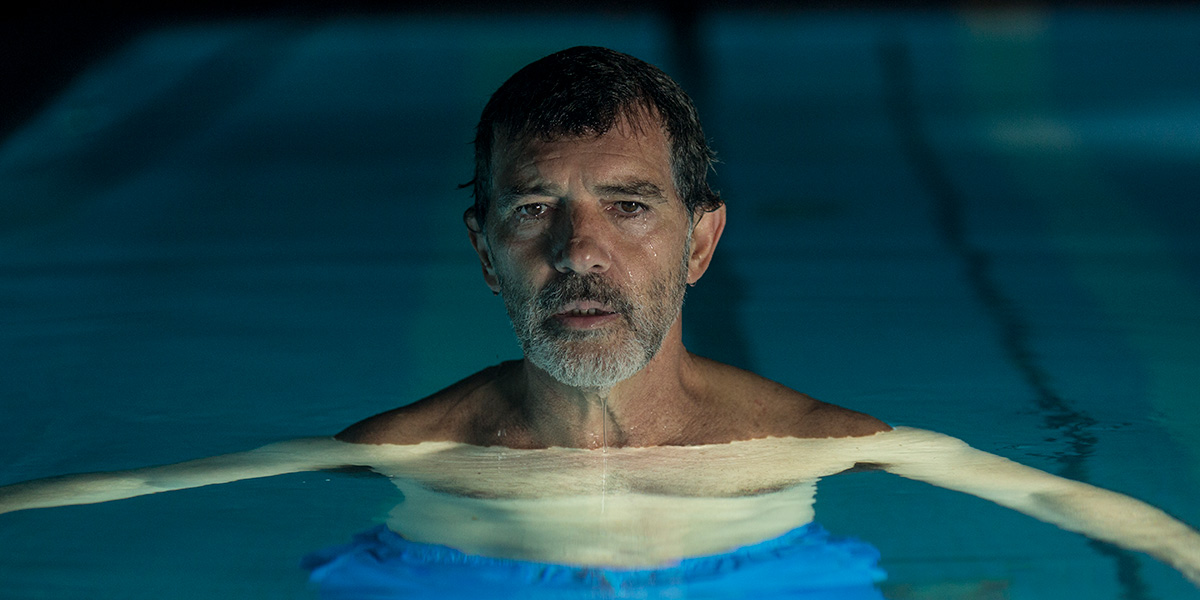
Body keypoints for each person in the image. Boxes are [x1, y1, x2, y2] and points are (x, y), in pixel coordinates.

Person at [1, 46, 1198, 597]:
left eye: (628, 207)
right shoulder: (403, 449)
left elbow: (1050, 499)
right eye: (534, 209)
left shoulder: (820, 438)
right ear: (484, 248)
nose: (579, 253)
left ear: (700, 237)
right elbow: (144, 494)